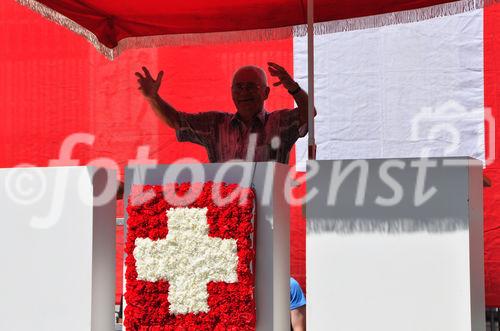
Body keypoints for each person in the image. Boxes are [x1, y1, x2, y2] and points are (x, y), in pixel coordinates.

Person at [135, 62, 315, 164]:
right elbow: (177, 121)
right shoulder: (215, 124)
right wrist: (153, 97)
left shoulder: (279, 122)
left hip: (270, 214)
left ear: (266, 92)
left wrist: (293, 88)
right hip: (225, 215)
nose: (244, 92)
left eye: (251, 87)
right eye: (239, 87)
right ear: (231, 92)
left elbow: (309, 113)